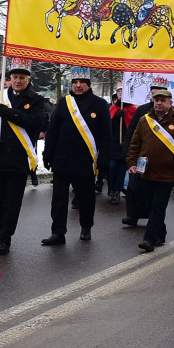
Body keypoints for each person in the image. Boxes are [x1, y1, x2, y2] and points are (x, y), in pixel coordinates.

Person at [41, 67, 111, 245]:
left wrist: (103, 160)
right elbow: (53, 130)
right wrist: (47, 154)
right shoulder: (64, 102)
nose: (78, 85)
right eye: (75, 82)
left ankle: (86, 227)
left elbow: (106, 135)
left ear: (88, 84)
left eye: (82, 82)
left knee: (86, 198)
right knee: (59, 200)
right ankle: (58, 232)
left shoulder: (100, 104)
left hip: (85, 161)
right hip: (62, 159)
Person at [125, 88, 174, 252]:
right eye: (157, 100)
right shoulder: (144, 120)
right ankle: (160, 233)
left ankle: (149, 239)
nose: (159, 103)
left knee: (158, 206)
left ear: (170, 103)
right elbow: (135, 143)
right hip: (146, 172)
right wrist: (131, 162)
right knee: (150, 205)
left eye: (163, 100)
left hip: (167, 173)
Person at [0, 58, 47, 255]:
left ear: (28, 79)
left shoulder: (36, 100)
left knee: (12, 201)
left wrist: (11, 114)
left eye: (22, 78)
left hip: (19, 158)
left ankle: (5, 237)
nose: (17, 81)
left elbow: (36, 123)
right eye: (14, 77)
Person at [121, 81, 169, 226]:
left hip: (161, 160)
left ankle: (153, 219)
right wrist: (127, 153)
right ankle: (133, 215)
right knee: (135, 187)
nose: (157, 100)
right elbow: (132, 133)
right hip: (141, 158)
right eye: (153, 94)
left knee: (155, 192)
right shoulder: (142, 110)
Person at [108, 84, 137, 205]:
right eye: (119, 91)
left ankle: (117, 191)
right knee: (111, 167)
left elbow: (134, 127)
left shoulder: (132, 109)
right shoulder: (113, 108)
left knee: (121, 169)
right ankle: (111, 187)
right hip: (113, 144)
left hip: (125, 144)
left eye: (123, 91)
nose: (121, 93)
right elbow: (108, 126)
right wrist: (116, 118)